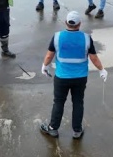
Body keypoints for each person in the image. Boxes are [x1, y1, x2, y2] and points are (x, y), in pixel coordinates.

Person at [40, 11, 107, 139]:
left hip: (62, 77)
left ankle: (53, 128)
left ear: (66, 22)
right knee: (78, 102)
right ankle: (77, 130)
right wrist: (101, 70)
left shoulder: (57, 36)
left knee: (59, 102)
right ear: (79, 24)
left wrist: (45, 66)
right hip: (80, 78)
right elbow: (94, 58)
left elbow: (49, 55)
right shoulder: (86, 38)